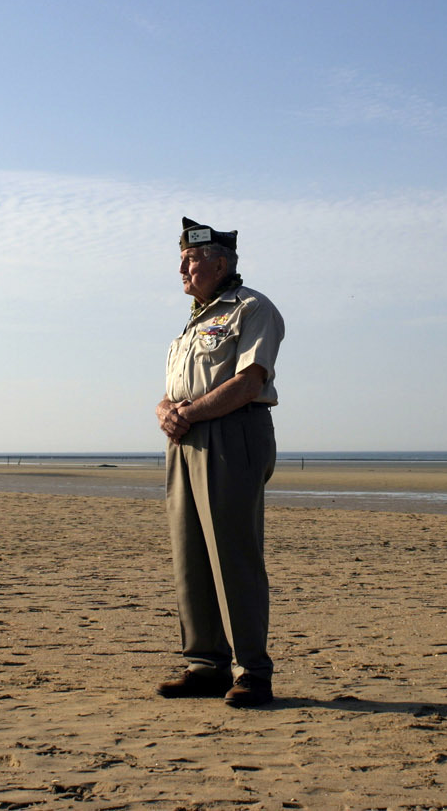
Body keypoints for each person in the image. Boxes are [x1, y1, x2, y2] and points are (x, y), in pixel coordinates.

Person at [155, 217, 285, 708]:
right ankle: (205, 663)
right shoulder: (193, 320)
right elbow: (171, 392)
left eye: (191, 261)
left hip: (234, 432)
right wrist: (167, 411)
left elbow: (250, 381)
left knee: (233, 555)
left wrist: (187, 412)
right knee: (191, 556)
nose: (183, 271)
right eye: (182, 261)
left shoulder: (251, 309)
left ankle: (252, 671)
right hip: (186, 438)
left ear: (220, 262)